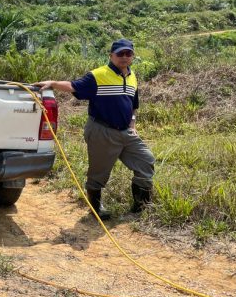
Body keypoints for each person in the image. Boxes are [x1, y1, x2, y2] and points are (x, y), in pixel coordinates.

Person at [34, 38, 155, 220]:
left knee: (146, 161)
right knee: (99, 173)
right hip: (102, 130)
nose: (124, 57)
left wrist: (132, 124)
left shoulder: (132, 77)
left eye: (128, 53)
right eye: (120, 54)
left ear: (133, 56)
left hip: (126, 132)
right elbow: (74, 86)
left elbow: (133, 104)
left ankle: (138, 210)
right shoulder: (98, 75)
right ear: (111, 56)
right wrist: (53, 83)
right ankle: (96, 208)